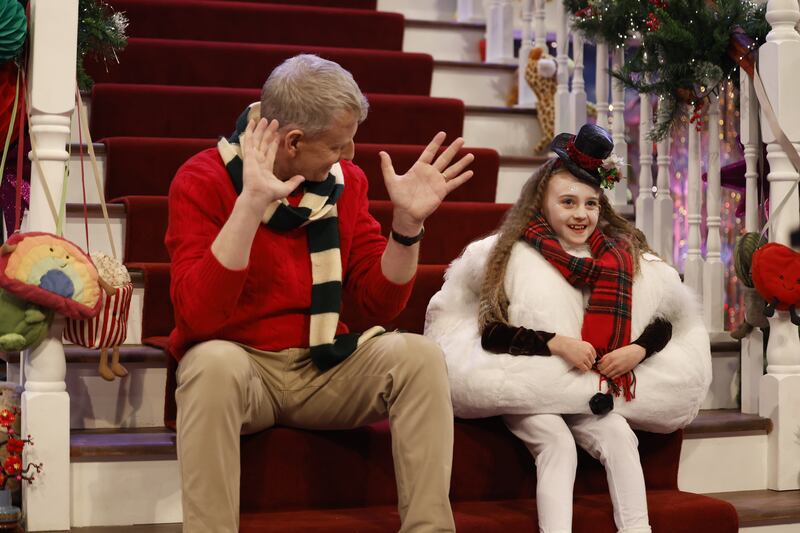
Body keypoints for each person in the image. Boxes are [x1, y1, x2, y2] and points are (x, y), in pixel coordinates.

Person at [166, 54, 474, 533]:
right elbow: (198, 318)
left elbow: (379, 302)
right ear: (293, 142)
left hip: (323, 363)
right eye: (338, 144)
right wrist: (250, 205)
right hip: (244, 370)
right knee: (209, 364)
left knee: (419, 357)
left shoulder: (346, 183)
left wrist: (408, 227)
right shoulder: (202, 179)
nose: (349, 155)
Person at [425, 124, 712, 533]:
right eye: (568, 202)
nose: (581, 214)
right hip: (535, 391)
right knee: (557, 446)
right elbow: (491, 331)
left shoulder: (617, 255)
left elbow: (666, 316)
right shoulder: (510, 253)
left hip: (590, 389)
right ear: (542, 203)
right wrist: (556, 343)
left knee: (619, 437)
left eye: (590, 204)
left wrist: (638, 351)